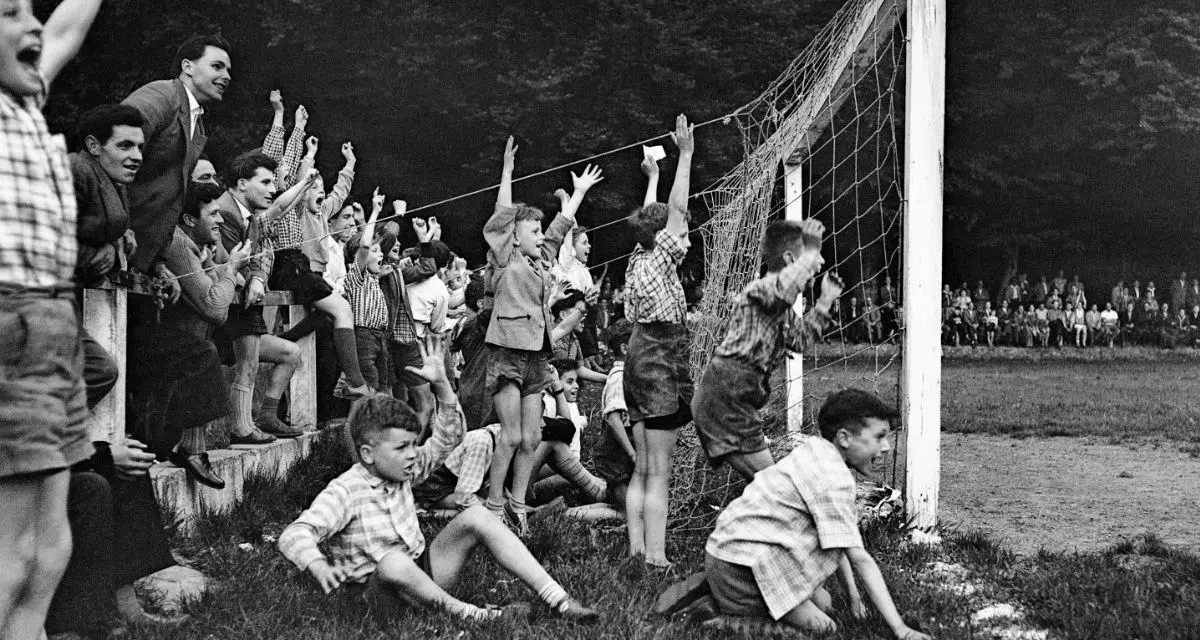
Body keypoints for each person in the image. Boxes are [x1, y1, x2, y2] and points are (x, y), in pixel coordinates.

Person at [277, 334, 599, 624]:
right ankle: (477, 616)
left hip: (423, 574)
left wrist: (443, 385)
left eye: (413, 444)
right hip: (377, 597)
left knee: (476, 515)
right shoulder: (346, 490)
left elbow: (448, 437)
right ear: (367, 454)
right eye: (401, 447)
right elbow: (295, 533)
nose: (412, 454)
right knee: (392, 563)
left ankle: (557, 598)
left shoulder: (405, 471)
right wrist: (316, 563)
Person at [661, 390, 930, 640]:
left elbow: (841, 539)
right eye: (879, 437)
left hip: (730, 552)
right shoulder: (834, 479)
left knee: (824, 602)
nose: (886, 447)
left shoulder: (815, 450)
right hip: (741, 567)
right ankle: (717, 617)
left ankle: (721, 593)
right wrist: (900, 629)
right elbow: (861, 559)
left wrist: (854, 595)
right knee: (825, 628)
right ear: (845, 438)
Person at [0, 1, 103, 638]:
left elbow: (67, 28)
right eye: (10, 13)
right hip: (11, 321)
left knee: (51, 538)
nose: (35, 25)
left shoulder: (28, 101)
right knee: (10, 546)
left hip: (56, 318)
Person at [480, 134, 602, 535]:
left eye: (538, 229)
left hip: (536, 356)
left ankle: (518, 506)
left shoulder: (539, 262)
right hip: (506, 354)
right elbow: (501, 213)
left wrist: (578, 194)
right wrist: (508, 170)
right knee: (511, 434)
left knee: (532, 436)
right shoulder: (504, 257)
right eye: (532, 230)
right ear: (514, 236)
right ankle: (494, 506)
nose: (539, 234)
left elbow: (559, 228)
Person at [692, 219, 839, 482]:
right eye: (813, 256)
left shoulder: (780, 307)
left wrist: (825, 301)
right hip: (727, 393)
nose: (821, 262)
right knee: (773, 485)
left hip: (734, 396)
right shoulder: (760, 290)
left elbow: (801, 340)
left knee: (765, 485)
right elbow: (784, 288)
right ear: (791, 259)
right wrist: (812, 250)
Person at [623, 114, 695, 568]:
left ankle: (635, 548)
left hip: (637, 357)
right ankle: (656, 555)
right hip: (659, 361)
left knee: (643, 466)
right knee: (661, 471)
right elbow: (677, 212)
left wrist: (651, 179)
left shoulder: (638, 256)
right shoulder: (664, 255)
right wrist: (684, 156)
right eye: (680, 235)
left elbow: (648, 222)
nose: (685, 239)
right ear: (665, 238)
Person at [214, 152, 320, 442]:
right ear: (242, 183)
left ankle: (262, 419)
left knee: (286, 354)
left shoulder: (250, 215)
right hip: (218, 305)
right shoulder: (224, 211)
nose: (273, 189)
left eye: (274, 182)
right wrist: (248, 279)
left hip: (238, 303)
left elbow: (278, 209)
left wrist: (258, 278)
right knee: (246, 362)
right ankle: (241, 428)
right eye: (266, 182)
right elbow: (223, 261)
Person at [123, 35, 230, 296]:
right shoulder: (161, 96)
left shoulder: (197, 122)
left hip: (139, 257)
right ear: (187, 67)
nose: (227, 76)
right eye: (217, 66)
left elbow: (172, 197)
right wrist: (116, 228)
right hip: (113, 244)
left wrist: (158, 262)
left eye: (228, 70)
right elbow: (109, 152)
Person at [342, 189, 392, 393]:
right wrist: (374, 213)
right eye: (376, 250)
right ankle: (358, 425)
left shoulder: (373, 277)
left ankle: (371, 425)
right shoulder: (356, 275)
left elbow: (370, 244)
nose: (381, 254)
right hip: (363, 338)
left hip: (380, 337)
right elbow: (364, 245)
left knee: (380, 388)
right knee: (367, 390)